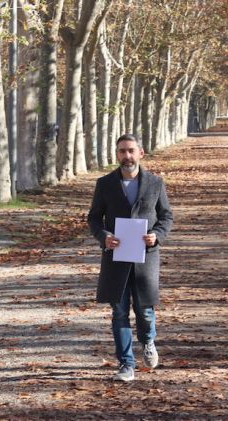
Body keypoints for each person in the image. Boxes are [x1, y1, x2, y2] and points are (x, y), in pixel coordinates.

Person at [86, 134, 173, 382]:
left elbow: (166, 216)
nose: (127, 156)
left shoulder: (155, 183)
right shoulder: (104, 184)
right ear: (117, 155)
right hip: (116, 257)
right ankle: (126, 364)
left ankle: (147, 341)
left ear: (141, 153)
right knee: (119, 311)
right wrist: (103, 236)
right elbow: (94, 217)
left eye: (131, 151)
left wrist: (156, 235)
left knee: (145, 310)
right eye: (122, 151)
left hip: (145, 258)